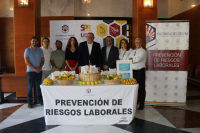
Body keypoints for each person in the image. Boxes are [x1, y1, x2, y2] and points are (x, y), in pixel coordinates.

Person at [24, 36, 44, 108]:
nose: (34, 42)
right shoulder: (27, 50)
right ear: (31, 41)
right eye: (33, 41)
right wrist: (34, 68)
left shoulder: (40, 50)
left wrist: (38, 68)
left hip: (39, 71)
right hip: (30, 72)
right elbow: (26, 61)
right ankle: (29, 101)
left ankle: (39, 99)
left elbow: (42, 61)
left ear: (38, 42)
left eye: (35, 41)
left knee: (39, 86)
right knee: (30, 87)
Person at [128, 38, 147, 110]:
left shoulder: (143, 51)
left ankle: (142, 104)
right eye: (136, 42)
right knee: (133, 87)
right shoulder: (132, 51)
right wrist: (132, 59)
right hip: (132, 71)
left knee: (141, 88)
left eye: (139, 42)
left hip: (140, 71)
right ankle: (134, 103)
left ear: (141, 43)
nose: (138, 43)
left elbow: (137, 60)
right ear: (135, 43)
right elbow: (128, 59)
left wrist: (132, 59)